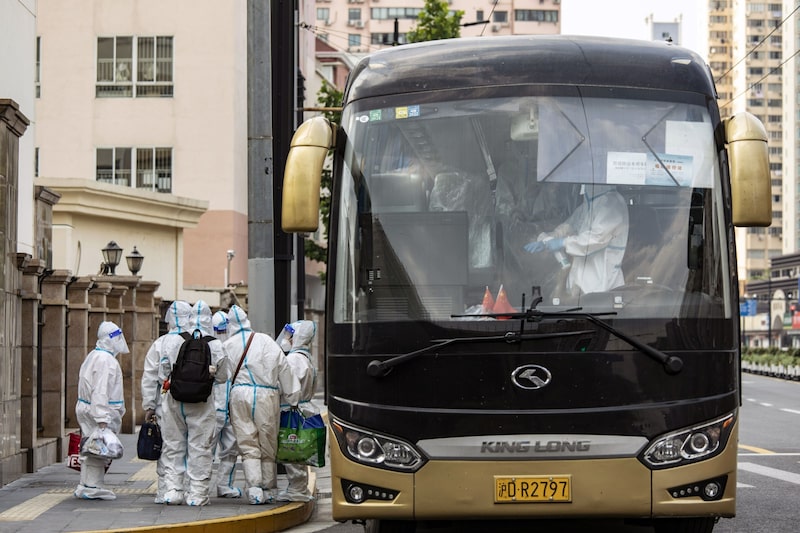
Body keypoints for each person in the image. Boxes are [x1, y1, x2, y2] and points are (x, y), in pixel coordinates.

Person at [224, 305, 301, 505]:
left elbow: (222, 376)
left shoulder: (228, 344)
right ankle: (269, 488)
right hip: (266, 395)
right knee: (268, 443)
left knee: (247, 443)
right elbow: (284, 368)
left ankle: (255, 489)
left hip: (239, 395)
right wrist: (293, 399)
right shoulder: (266, 341)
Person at [158, 300, 230, 506]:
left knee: (173, 445)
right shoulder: (215, 344)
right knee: (200, 447)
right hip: (202, 402)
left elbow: (162, 371)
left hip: (174, 400)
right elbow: (224, 376)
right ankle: (197, 494)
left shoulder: (173, 341)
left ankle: (173, 490)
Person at [524, 183, 629, 297]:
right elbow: (570, 226)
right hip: (580, 284)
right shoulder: (589, 205)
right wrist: (548, 239)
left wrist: (563, 242)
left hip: (603, 285)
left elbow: (596, 238)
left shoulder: (612, 202)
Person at [141, 300, 192, 504]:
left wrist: (149, 405)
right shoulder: (197, 341)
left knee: (169, 446)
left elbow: (149, 377)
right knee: (191, 446)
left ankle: (166, 491)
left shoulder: (160, 343)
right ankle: (188, 489)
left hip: (167, 401)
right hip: (194, 402)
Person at [74, 321, 128, 500]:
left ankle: (86, 485)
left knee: (91, 449)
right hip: (98, 411)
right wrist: (102, 419)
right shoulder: (106, 361)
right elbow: (101, 390)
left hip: (89, 408)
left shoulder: (95, 355)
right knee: (97, 450)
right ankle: (92, 487)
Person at [277, 320, 319, 502]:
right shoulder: (305, 358)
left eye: (291, 336)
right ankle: (298, 487)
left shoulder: (294, 360)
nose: (287, 339)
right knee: (299, 450)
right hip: (303, 408)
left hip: (292, 409)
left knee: (292, 449)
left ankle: (297, 489)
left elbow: (285, 386)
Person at [210, 310, 242, 498]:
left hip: (230, 409)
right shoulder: (207, 348)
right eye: (218, 330)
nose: (222, 334)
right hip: (211, 411)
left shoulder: (235, 348)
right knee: (205, 451)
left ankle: (225, 485)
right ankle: (199, 487)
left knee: (230, 450)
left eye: (224, 330)